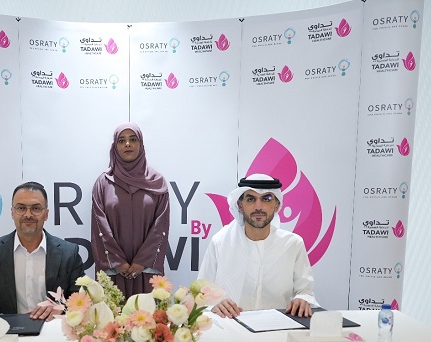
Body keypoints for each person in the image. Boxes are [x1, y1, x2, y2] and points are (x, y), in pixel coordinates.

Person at [198, 174, 317, 318]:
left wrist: (302, 300)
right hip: (231, 325)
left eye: (266, 199)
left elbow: (305, 291)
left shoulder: (292, 244)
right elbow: (201, 292)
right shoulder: (220, 242)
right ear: (240, 206)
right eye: (251, 199)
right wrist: (214, 304)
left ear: (277, 205)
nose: (258, 207)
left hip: (278, 326)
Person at [0, 181, 85, 321]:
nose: (28, 214)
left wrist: (61, 309)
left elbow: (81, 298)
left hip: (51, 328)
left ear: (46, 214)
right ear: (12, 213)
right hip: (7, 330)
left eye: (36, 208)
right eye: (21, 208)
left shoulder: (68, 253)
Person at [91, 123, 170, 298]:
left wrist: (142, 262)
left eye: (133, 139)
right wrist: (117, 261)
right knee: (112, 314)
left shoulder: (157, 182)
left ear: (141, 144)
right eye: (122, 140)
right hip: (113, 271)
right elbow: (99, 225)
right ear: (115, 146)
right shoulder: (103, 183)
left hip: (147, 271)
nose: (128, 144)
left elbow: (161, 226)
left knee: (147, 314)